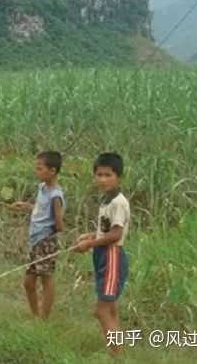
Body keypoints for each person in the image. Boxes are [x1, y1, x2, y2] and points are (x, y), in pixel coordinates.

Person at [71, 152, 130, 355]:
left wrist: (91, 244)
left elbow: (115, 234)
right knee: (110, 308)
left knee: (101, 310)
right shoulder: (106, 200)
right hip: (103, 255)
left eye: (108, 175)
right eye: (99, 175)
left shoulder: (118, 203)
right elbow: (105, 230)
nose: (102, 179)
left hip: (111, 256)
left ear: (118, 177)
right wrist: (89, 236)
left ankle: (117, 355)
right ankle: (119, 351)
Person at [12, 151, 65, 320]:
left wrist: (47, 233)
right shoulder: (42, 188)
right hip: (35, 241)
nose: (37, 171)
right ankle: (36, 316)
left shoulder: (55, 195)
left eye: (40, 168)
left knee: (46, 280)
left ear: (53, 171)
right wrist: (27, 206)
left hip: (45, 242)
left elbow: (59, 224)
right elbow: (40, 209)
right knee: (28, 283)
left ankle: (43, 319)